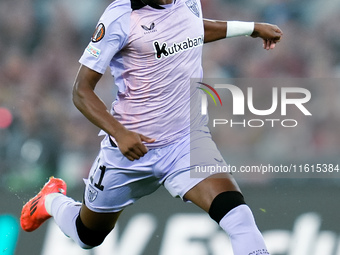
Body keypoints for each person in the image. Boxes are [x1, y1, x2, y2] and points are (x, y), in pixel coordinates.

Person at [21, 0, 282, 253]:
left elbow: (192, 29)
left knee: (239, 218)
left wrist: (250, 28)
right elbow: (81, 90)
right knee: (87, 236)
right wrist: (119, 133)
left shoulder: (188, 2)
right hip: (129, 150)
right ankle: (51, 200)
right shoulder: (119, 17)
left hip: (186, 142)